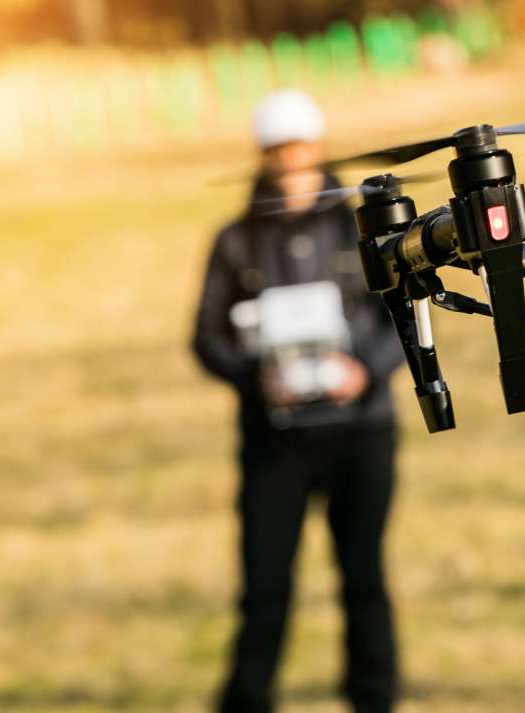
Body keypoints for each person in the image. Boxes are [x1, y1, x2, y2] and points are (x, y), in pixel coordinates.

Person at [192, 89, 404, 713]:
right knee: (264, 590)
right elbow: (206, 337)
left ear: (318, 148)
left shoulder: (362, 226)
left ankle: (374, 698)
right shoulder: (235, 242)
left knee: (363, 580)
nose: (290, 161)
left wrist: (361, 370)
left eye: (299, 147)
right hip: (274, 441)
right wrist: (257, 380)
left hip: (361, 432)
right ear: (262, 156)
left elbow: (403, 317)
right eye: (277, 150)